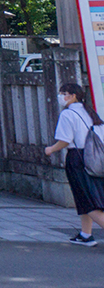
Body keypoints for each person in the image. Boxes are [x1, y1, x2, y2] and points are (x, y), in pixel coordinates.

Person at [45, 82, 104, 245]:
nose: (61, 96)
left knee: (88, 200)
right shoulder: (90, 112)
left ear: (73, 96)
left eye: (64, 93)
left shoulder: (68, 114)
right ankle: (86, 234)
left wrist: (51, 149)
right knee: (86, 196)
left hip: (77, 158)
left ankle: (86, 234)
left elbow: (65, 140)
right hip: (95, 158)